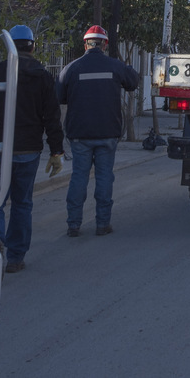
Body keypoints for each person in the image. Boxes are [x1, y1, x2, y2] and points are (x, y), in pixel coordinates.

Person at [0, 24, 64, 273]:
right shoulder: (43, 76)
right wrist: (56, 150)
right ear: (33, 46)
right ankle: (16, 257)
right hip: (28, 152)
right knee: (22, 204)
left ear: (9, 46)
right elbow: (52, 117)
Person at [57, 23, 140, 237]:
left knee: (78, 177)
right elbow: (133, 82)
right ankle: (102, 224)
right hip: (107, 132)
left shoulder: (71, 68)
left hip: (80, 133)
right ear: (104, 44)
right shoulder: (114, 66)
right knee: (104, 178)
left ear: (85, 44)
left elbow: (60, 96)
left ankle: (73, 224)